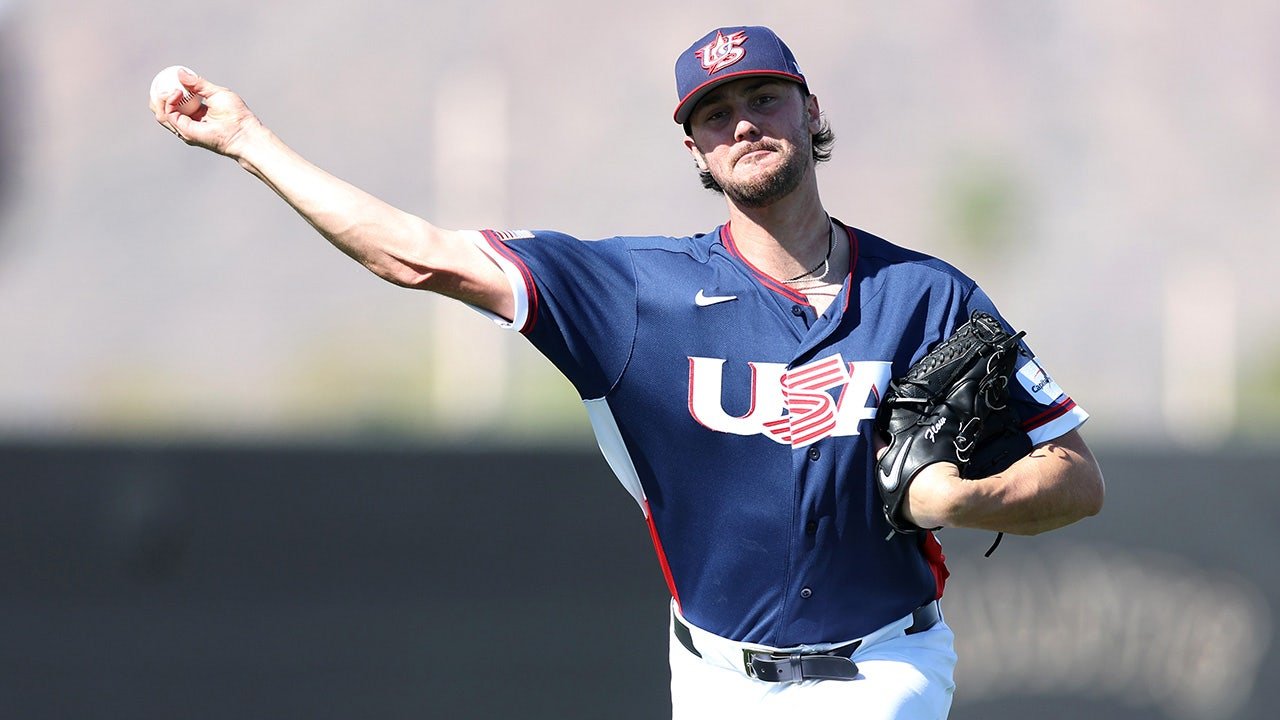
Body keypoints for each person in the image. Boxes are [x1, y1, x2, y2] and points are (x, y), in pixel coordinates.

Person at [151, 25, 1104, 719]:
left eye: (763, 97)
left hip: (885, 674)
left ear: (810, 111)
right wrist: (247, 142)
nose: (743, 123)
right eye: (714, 113)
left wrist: (962, 498)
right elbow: (417, 255)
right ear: (693, 147)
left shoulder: (927, 295)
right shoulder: (631, 294)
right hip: (716, 681)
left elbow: (1076, 478)